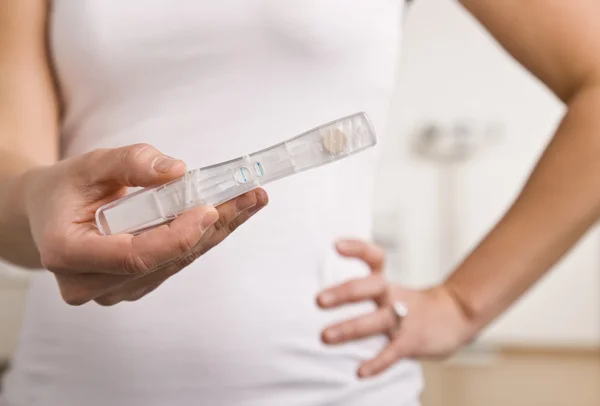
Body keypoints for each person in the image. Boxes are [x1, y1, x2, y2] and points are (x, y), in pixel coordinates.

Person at [0, 0, 598, 405]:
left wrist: (461, 306)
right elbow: (13, 194)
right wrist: (36, 200)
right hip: (68, 383)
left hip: (328, 383)